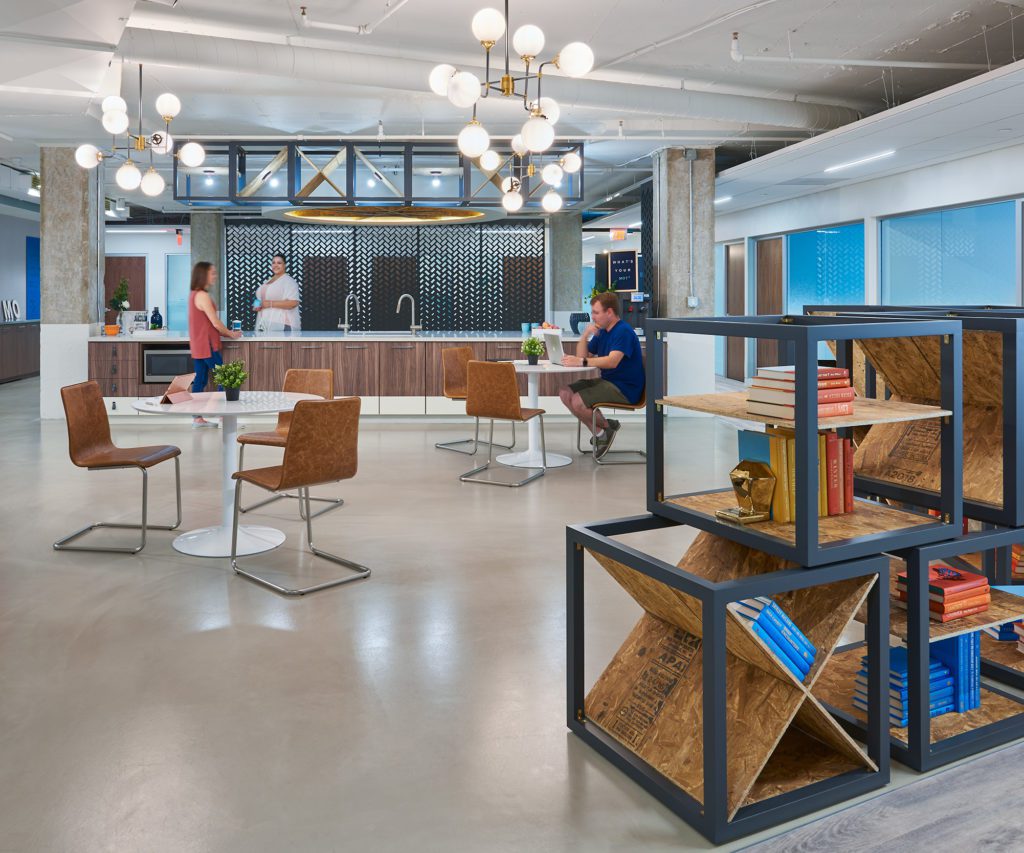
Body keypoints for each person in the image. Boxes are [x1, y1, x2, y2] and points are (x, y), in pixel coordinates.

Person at [560, 291, 645, 459]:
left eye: (596, 313)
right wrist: (585, 335)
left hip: (626, 388)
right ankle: (604, 430)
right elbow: (583, 355)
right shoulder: (604, 331)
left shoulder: (623, 332)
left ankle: (604, 431)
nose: (593, 317)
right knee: (565, 393)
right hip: (609, 382)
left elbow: (612, 361)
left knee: (577, 400)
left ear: (610, 312)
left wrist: (582, 362)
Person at [189, 261, 241, 428]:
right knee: (225, 378)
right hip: (207, 344)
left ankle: (197, 418)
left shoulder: (194, 294)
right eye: (212, 273)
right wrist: (231, 333)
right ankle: (224, 417)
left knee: (200, 379)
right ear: (203, 274)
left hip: (199, 344)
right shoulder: (202, 296)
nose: (215, 276)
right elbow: (215, 323)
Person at [254, 253, 301, 331]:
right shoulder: (267, 281)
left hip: (282, 324)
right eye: (273, 263)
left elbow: (293, 303)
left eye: (279, 263)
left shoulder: (289, 281)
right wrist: (256, 305)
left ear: (284, 265)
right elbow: (260, 298)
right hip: (263, 323)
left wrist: (269, 304)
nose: (275, 265)